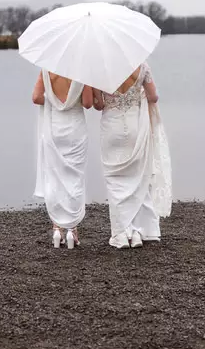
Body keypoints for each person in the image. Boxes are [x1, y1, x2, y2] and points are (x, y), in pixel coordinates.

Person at [94, 62, 172, 249]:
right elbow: (153, 97)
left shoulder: (99, 68)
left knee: (115, 180)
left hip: (112, 127)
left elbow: (98, 105)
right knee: (138, 178)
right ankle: (137, 232)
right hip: (136, 126)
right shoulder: (142, 66)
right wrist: (138, 94)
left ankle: (121, 234)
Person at [32, 70, 94, 248]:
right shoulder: (81, 71)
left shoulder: (46, 70)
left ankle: (57, 229)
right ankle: (71, 230)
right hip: (75, 130)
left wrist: (53, 102)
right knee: (74, 178)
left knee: (54, 178)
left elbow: (36, 97)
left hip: (54, 130)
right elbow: (88, 103)